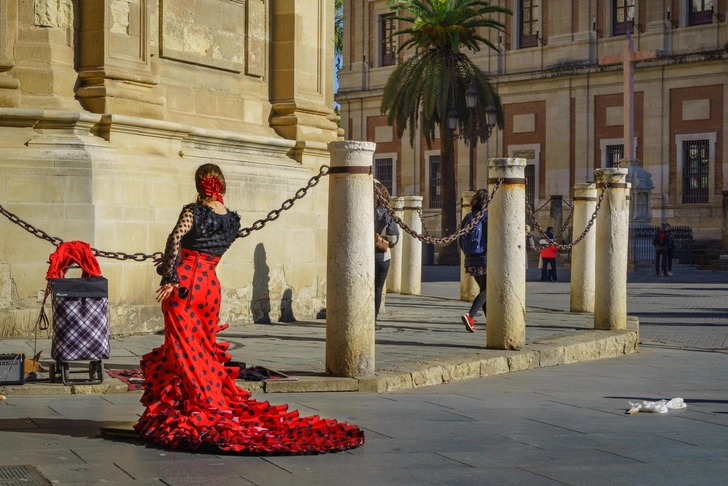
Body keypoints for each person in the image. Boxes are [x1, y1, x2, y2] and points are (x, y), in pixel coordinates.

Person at [136, 163, 364, 454]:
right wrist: (177, 262)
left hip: (184, 289)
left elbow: (176, 238)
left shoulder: (192, 211)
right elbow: (205, 247)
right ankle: (184, 408)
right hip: (210, 287)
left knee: (186, 351)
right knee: (201, 348)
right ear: (222, 186)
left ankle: (208, 406)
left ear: (199, 184)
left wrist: (170, 274)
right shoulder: (232, 220)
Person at [459, 189, 488, 333]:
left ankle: (491, 321)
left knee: (484, 290)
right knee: (488, 290)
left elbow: (460, 239)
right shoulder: (487, 216)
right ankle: (470, 315)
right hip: (484, 259)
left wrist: (468, 254)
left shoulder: (468, 217)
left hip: (471, 260)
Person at [374, 180, 400, 330]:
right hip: (381, 255)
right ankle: (373, 320)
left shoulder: (362, 210)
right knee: (377, 287)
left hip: (362, 255)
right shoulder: (386, 213)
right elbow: (393, 237)